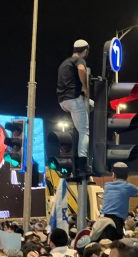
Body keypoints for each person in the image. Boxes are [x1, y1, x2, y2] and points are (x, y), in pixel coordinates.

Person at [56, 39, 90, 174]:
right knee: (84, 131)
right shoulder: (79, 60)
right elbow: (82, 70)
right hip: (74, 99)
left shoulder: (64, 63)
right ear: (85, 50)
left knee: (91, 104)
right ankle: (82, 165)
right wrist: (85, 86)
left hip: (63, 101)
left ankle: (79, 124)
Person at [100, 162, 138, 240]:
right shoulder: (127, 187)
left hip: (104, 221)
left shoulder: (107, 186)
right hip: (116, 222)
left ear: (113, 175)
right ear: (127, 176)